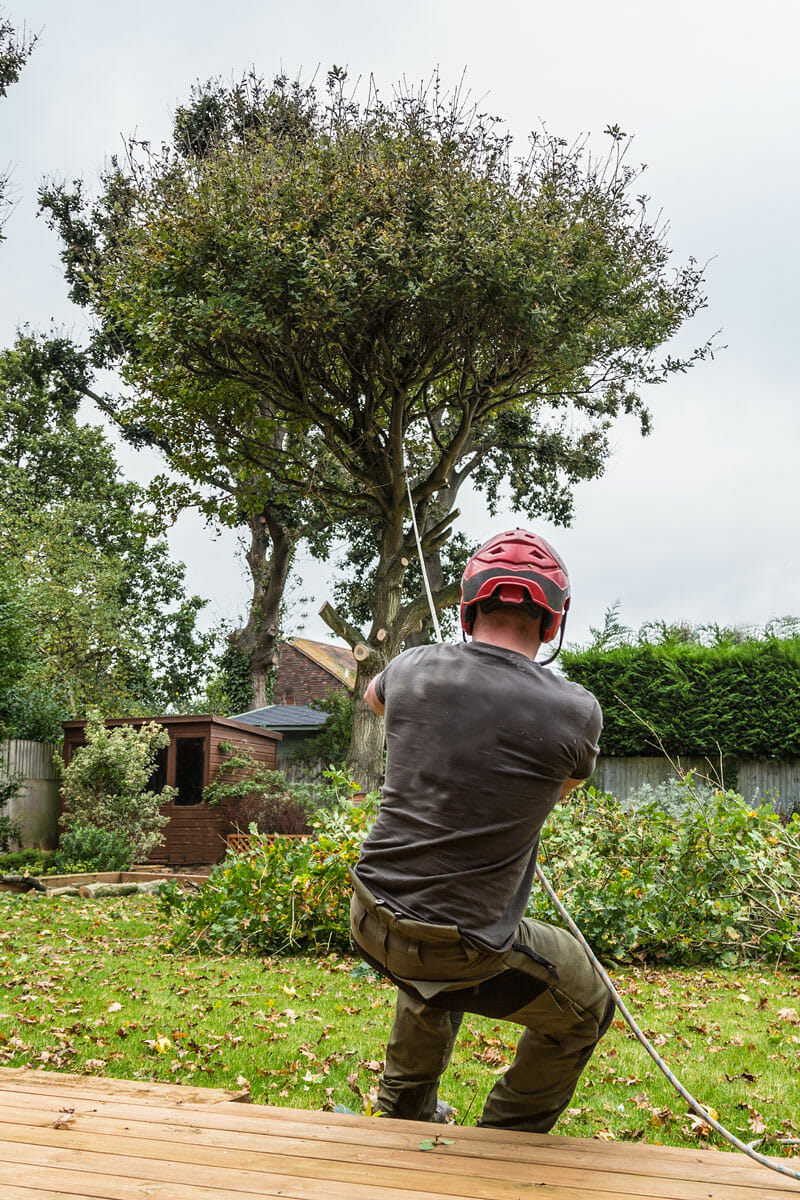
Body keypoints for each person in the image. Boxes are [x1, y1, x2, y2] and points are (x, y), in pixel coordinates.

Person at [349, 527, 614, 1132]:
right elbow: (559, 791)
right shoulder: (576, 711)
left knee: (432, 958)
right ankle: (505, 1141)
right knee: (587, 1007)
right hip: (462, 945)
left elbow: (374, 700)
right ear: (553, 622)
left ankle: (406, 1110)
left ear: (469, 607)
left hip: (370, 918)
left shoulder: (411, 667)